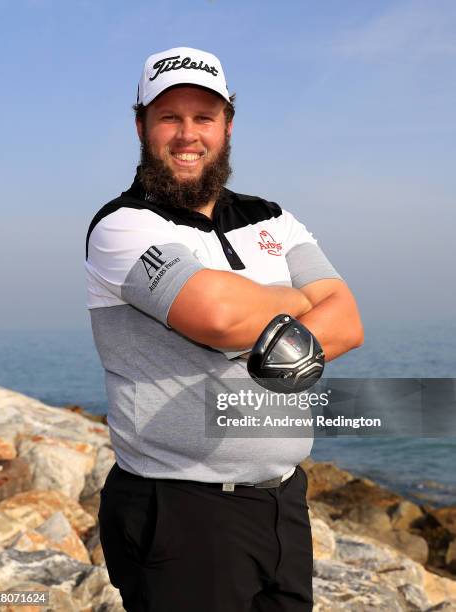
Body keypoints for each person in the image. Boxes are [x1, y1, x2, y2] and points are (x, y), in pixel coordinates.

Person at [85, 46, 363, 612]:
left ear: (227, 125)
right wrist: (296, 301)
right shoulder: (121, 226)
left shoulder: (271, 216)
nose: (188, 135)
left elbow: (348, 320)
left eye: (204, 117)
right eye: (169, 117)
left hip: (283, 502)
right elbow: (217, 317)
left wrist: (253, 325)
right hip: (180, 513)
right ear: (140, 125)